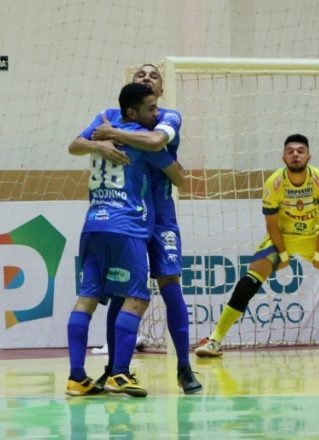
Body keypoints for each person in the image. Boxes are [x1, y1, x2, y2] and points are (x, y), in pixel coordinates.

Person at [194, 134, 319, 357]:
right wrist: (283, 256)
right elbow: (271, 226)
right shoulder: (274, 184)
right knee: (248, 282)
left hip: (316, 236)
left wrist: (318, 255)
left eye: (300, 151)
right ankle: (214, 340)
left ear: (309, 156)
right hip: (282, 237)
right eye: (290, 151)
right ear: (283, 158)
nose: (295, 155)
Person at [89, 64, 202, 394]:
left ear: (161, 91)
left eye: (154, 75)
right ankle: (114, 370)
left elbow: (156, 143)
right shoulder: (113, 117)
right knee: (121, 292)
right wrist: (98, 143)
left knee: (170, 286)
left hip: (161, 215)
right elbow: (77, 142)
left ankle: (184, 367)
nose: (147, 77)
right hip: (128, 216)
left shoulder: (167, 117)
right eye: (141, 74)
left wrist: (112, 134)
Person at [65, 82, 181, 398]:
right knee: (137, 298)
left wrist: (98, 144)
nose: (156, 114)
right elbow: (179, 177)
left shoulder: (101, 129)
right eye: (151, 109)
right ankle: (118, 373)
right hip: (126, 228)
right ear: (132, 111)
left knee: (87, 298)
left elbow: (74, 145)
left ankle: (76, 377)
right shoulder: (143, 141)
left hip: (93, 224)